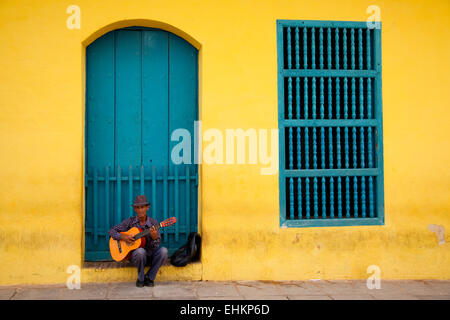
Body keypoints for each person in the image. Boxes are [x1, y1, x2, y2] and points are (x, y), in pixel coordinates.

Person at [108, 195, 168, 288]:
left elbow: (156, 245)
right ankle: (141, 279)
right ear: (134, 209)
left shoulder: (154, 223)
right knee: (140, 251)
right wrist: (123, 237)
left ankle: (150, 278)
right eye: (138, 207)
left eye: (142, 207)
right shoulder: (130, 221)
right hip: (136, 257)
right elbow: (111, 231)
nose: (140, 210)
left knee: (164, 251)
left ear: (147, 207)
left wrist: (154, 237)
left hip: (150, 255)